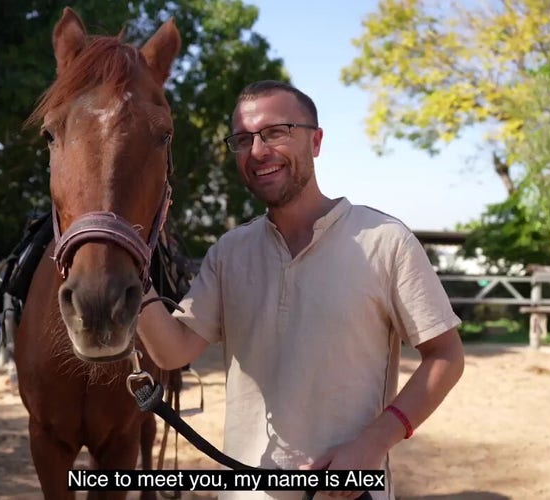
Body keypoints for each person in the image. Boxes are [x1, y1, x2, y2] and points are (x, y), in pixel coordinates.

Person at [138, 80, 465, 500]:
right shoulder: (229, 252)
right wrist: (132, 277)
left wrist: (373, 443)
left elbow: (447, 355)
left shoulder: (385, 240)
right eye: (242, 140)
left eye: (276, 132)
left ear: (316, 141)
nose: (257, 151)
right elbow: (173, 351)